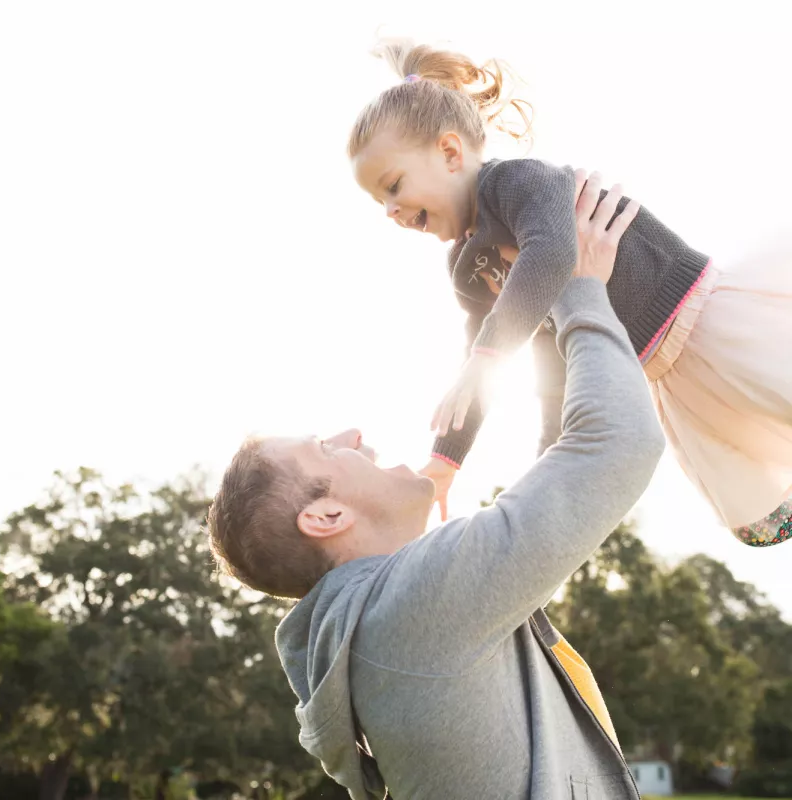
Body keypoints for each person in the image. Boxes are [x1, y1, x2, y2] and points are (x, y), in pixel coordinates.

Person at [207, 178, 665, 799]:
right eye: (323, 448)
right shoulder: (414, 607)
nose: (352, 434)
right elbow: (618, 443)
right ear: (325, 515)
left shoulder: (374, 633)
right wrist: (582, 290)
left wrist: (549, 322)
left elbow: (562, 484)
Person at [349, 39, 792, 548]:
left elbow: (553, 255)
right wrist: (449, 457)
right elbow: (517, 366)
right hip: (668, 376)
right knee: (758, 505)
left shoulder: (518, 183)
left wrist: (487, 351)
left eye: (393, 186)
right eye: (378, 201)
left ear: (450, 153)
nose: (389, 211)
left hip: (709, 325)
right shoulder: (469, 267)